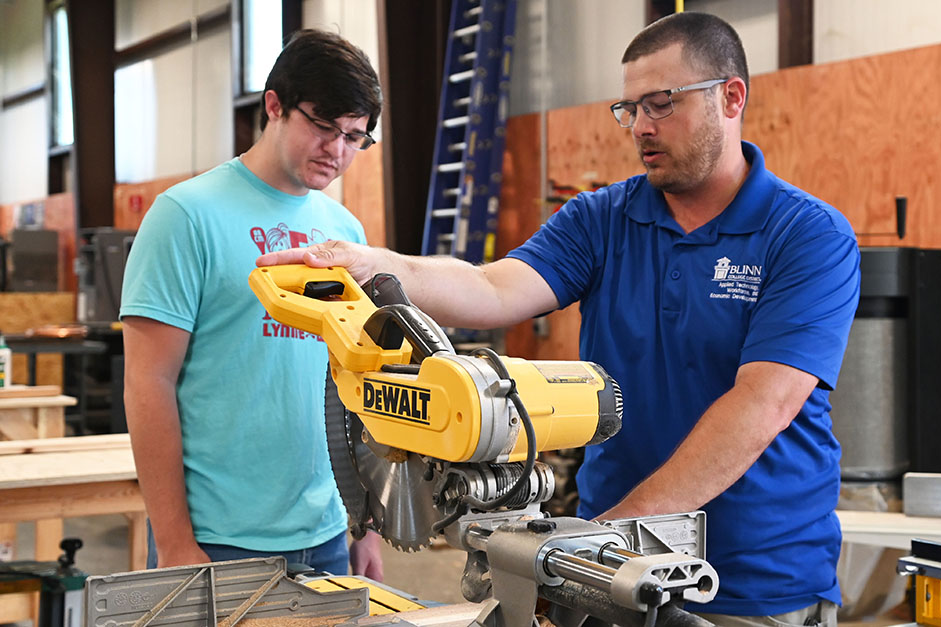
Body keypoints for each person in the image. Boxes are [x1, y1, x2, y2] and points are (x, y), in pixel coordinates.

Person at [258, 12, 860, 626]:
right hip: (613, 575)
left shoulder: (807, 235)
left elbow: (760, 406)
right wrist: (375, 264)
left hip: (756, 584)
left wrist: (602, 539)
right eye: (628, 109)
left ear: (731, 97)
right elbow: (493, 287)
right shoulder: (602, 219)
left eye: (660, 104)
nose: (641, 128)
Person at [121, 29, 383, 580]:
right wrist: (173, 542)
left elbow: (354, 383)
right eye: (323, 126)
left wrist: (365, 522)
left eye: (355, 137)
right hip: (217, 539)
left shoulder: (343, 231)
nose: (337, 151)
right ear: (274, 106)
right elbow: (149, 383)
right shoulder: (186, 216)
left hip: (328, 532)